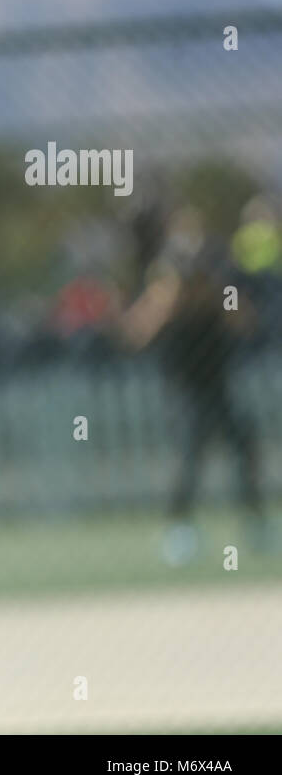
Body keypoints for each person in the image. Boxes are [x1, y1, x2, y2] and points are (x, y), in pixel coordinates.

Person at [117, 204, 267, 566]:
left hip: (219, 382)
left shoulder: (218, 279)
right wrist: (169, 298)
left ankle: (256, 524)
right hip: (183, 386)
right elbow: (135, 332)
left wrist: (215, 294)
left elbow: (246, 321)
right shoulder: (165, 281)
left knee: (243, 450)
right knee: (189, 457)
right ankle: (179, 530)